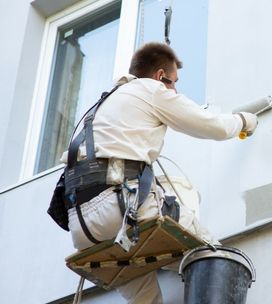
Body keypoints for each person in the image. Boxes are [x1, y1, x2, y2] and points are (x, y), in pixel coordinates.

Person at [61, 42, 258, 303]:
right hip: (120, 209)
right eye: (173, 82)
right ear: (159, 76)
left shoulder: (103, 106)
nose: (175, 90)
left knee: (143, 294)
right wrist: (245, 121)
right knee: (212, 256)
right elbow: (212, 126)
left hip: (83, 228)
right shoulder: (151, 90)